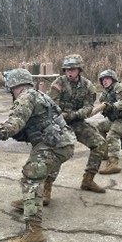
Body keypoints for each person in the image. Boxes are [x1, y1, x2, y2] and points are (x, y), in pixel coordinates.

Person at [0, 68, 75, 242]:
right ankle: (35, 199)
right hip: (64, 143)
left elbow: (15, 122)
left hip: (53, 145)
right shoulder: (41, 95)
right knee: (41, 170)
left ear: (13, 86)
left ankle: (34, 233)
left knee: (31, 177)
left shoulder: (25, 96)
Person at [47, 54, 107, 194]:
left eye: (73, 69)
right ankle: (46, 189)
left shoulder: (87, 86)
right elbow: (51, 106)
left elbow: (88, 108)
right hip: (59, 124)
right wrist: (62, 115)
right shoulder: (58, 84)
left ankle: (88, 180)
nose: (69, 72)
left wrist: (73, 115)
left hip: (77, 122)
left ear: (79, 70)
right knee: (59, 151)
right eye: (67, 69)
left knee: (100, 144)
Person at [95, 69, 122, 174]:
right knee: (99, 127)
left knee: (112, 135)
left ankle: (113, 163)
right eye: (103, 79)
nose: (104, 81)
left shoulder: (118, 87)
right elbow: (101, 104)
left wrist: (112, 106)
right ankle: (105, 153)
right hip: (115, 119)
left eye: (107, 79)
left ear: (113, 79)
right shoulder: (105, 92)